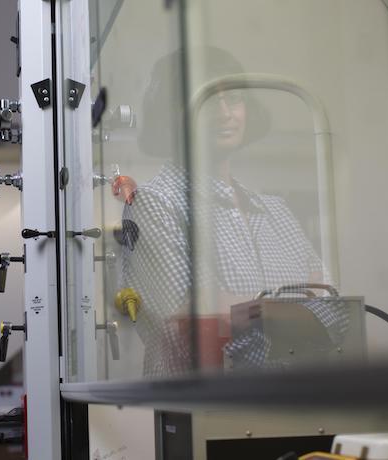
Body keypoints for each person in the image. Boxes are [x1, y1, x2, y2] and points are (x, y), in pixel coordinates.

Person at [116, 47, 338, 376]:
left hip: (298, 399)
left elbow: (338, 314)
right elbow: (195, 327)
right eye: (208, 102)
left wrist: (252, 310)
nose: (225, 114)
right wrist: (297, 313)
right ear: (171, 115)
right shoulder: (151, 205)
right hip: (205, 403)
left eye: (233, 99)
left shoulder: (275, 210)